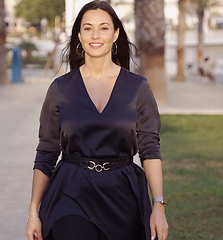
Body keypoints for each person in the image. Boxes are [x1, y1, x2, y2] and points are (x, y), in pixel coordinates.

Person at [25, 1, 168, 240]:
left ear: (115, 34)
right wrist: (33, 213)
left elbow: (150, 149)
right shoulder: (61, 88)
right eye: (88, 28)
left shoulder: (137, 88)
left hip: (122, 194)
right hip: (70, 192)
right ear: (79, 35)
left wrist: (158, 206)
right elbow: (46, 152)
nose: (95, 35)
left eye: (103, 28)